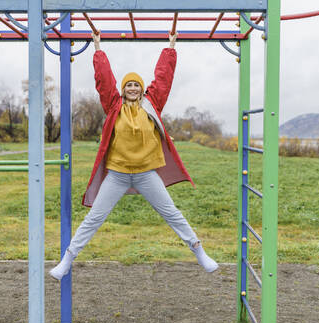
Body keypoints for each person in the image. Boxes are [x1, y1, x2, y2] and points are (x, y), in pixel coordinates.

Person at [50, 32, 218, 280]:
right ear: (123, 89)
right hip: (117, 174)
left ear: (141, 89)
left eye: (136, 84)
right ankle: (67, 260)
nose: (132, 88)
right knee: (94, 218)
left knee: (171, 212)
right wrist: (97, 47)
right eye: (128, 84)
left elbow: (163, 78)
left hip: (145, 174)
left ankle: (199, 250)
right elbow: (103, 80)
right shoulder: (113, 106)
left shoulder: (152, 104)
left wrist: (170, 46)